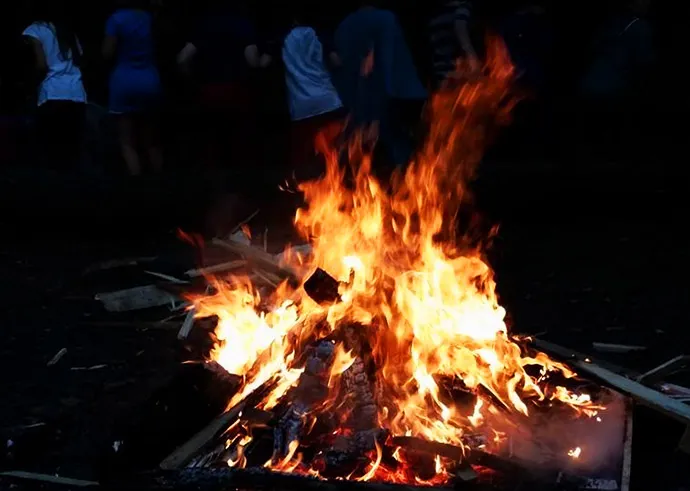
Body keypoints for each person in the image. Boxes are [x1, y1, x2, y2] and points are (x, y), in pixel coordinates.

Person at [333, 1, 427, 169]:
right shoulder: (386, 19)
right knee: (402, 158)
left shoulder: (343, 26)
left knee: (363, 161)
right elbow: (386, 65)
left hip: (356, 104)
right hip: (395, 99)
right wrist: (377, 115)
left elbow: (343, 71)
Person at [176, 0, 268, 168]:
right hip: (237, 90)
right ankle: (242, 185)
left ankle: (217, 187)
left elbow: (182, 58)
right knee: (240, 142)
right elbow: (252, 60)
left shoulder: (204, 25)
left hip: (209, 90)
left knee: (212, 143)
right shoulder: (242, 24)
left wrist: (191, 79)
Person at [22, 0, 87, 170]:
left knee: (51, 150)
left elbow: (41, 64)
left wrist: (30, 84)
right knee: (72, 149)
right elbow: (80, 59)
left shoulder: (35, 29)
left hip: (52, 93)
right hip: (76, 92)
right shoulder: (68, 31)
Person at [281, 6, 345, 179]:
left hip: (301, 107)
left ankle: (311, 196)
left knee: (307, 159)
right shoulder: (320, 35)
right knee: (335, 155)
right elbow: (336, 61)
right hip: (328, 101)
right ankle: (341, 192)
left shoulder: (284, 38)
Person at [103, 0, 163, 177]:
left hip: (124, 81)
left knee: (127, 142)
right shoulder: (149, 18)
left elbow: (107, 52)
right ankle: (159, 185)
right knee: (152, 141)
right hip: (150, 80)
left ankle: (136, 186)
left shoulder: (116, 19)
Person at [428, 0, 480, 88]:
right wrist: (473, 59)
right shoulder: (462, 7)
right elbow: (460, 28)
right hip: (457, 73)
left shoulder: (436, 14)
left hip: (441, 72)